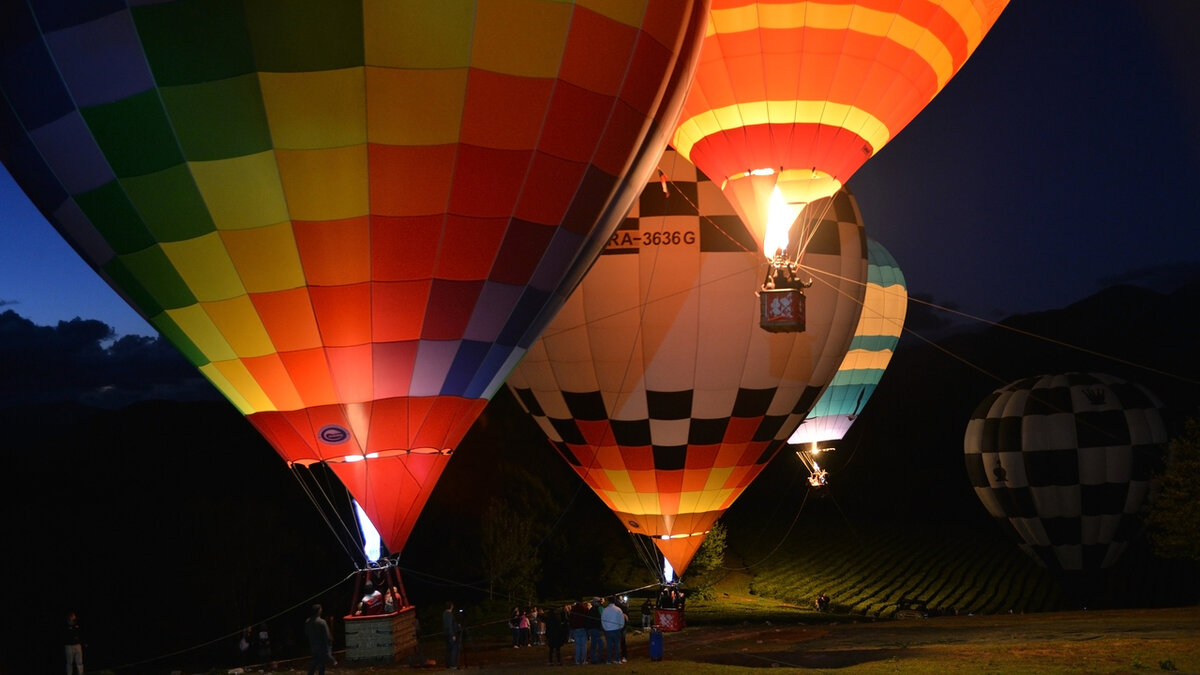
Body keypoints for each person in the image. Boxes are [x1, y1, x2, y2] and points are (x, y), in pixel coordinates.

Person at [304, 604, 334, 675]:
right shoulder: (322, 622)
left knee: (314, 661)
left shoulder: (308, 621)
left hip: (313, 644)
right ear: (318, 611)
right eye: (320, 609)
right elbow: (327, 635)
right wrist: (329, 643)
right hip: (322, 645)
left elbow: (306, 633)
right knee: (322, 664)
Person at [600, 596, 626, 664]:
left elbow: (602, 620)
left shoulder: (605, 610)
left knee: (609, 646)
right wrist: (620, 627)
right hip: (616, 629)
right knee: (617, 645)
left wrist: (605, 628)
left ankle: (609, 660)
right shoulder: (618, 610)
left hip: (608, 630)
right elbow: (622, 620)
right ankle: (617, 659)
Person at [568, 598, 588, 665]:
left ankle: (577, 661)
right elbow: (587, 618)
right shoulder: (584, 608)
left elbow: (570, 619)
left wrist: (572, 627)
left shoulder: (573, 609)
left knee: (577, 646)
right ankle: (584, 660)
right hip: (583, 628)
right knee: (583, 646)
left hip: (576, 629)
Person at [443, 601, 461, 670]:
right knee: (454, 648)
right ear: (451, 606)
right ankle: (452, 664)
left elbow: (447, 624)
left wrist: (456, 625)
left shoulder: (444, 614)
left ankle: (448, 664)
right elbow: (450, 625)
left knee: (448, 649)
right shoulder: (450, 615)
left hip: (446, 634)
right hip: (451, 634)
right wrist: (453, 634)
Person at [586, 597, 604, 664]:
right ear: (595, 602)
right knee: (600, 644)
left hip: (592, 629)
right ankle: (598, 659)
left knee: (593, 644)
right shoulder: (595, 610)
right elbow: (597, 620)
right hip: (595, 629)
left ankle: (593, 659)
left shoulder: (591, 610)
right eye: (598, 602)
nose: (599, 603)